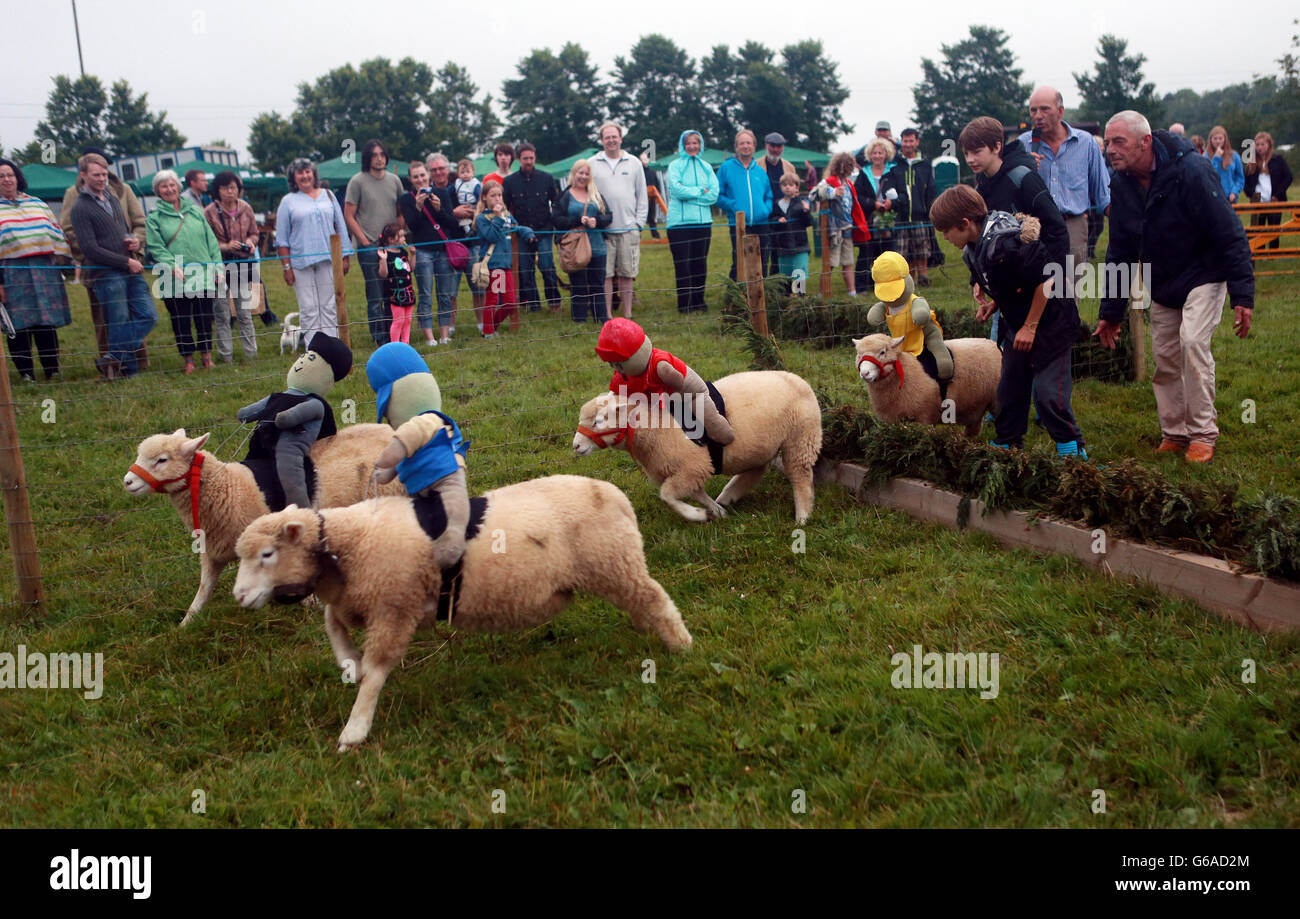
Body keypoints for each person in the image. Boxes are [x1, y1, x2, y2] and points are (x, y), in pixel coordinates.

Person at [1093, 111, 1254, 464]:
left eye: (1119, 142)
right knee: (1165, 358)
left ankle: (1202, 434)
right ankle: (1175, 433)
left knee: (1193, 342)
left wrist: (1243, 296)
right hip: (1163, 281)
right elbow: (1119, 250)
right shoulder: (1120, 183)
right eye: (1108, 143)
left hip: (1204, 272)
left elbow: (1229, 232)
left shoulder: (1191, 172)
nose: (1111, 151)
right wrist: (1111, 313)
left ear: (1145, 142)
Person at [931, 184, 1087, 458]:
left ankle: (1071, 447)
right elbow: (1012, 284)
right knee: (1009, 387)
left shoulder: (1009, 243)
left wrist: (1031, 326)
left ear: (965, 223)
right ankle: (1008, 443)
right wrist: (995, 304)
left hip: (1051, 322)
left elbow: (1047, 280)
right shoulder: (974, 247)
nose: (944, 237)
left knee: (1049, 393)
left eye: (946, 231)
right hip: (1017, 321)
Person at [960, 115, 1069, 343]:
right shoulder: (982, 187)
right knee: (1007, 361)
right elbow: (983, 239)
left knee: (1042, 354)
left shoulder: (1024, 179)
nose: (970, 159)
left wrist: (1053, 279)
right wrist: (979, 279)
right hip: (1008, 290)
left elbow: (1056, 229)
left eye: (976, 151)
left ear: (997, 147)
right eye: (966, 153)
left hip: (1039, 287)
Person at [68, 152, 158, 380]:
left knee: (149, 315)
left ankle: (113, 356)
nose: (101, 179)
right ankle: (129, 372)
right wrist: (125, 261)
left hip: (129, 267)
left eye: (104, 174)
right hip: (106, 273)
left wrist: (134, 242)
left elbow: (124, 229)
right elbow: (90, 248)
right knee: (117, 321)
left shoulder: (113, 197)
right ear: (83, 175)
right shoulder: (79, 207)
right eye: (96, 175)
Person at [238, 334, 352, 510]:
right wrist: (246, 415)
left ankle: (301, 507)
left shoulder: (315, 403)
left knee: (288, 462)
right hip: (265, 441)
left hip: (293, 442)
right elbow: (248, 413)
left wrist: (284, 418)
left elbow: (290, 418)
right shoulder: (277, 396)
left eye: (310, 359)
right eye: (303, 357)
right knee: (252, 459)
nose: (301, 363)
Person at [1018, 86, 1111, 281]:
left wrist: (1124, 225)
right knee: (1033, 289)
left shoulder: (1085, 143)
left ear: (1060, 111)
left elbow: (1103, 193)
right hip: (1033, 227)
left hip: (1073, 226)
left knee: (1069, 292)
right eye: (1033, 110)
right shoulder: (1023, 145)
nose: (1038, 116)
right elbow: (1010, 191)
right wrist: (1023, 169)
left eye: (1044, 109)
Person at [0, 158, 72, 382]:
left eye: (10, 174)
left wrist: (63, 261)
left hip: (44, 271)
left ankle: (52, 368)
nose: (6, 179)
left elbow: (54, 232)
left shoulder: (37, 204)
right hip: (12, 273)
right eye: (1, 176)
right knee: (18, 325)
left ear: (17, 177)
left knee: (46, 322)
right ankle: (26, 372)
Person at [146, 169, 223, 373]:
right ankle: (188, 360)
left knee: (204, 317)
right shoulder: (154, 217)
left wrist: (217, 266)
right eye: (164, 186)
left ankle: (207, 356)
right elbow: (155, 246)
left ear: (178, 187)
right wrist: (171, 265)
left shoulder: (196, 210)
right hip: (173, 277)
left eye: (172, 185)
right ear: (158, 190)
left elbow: (211, 241)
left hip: (202, 273)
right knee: (181, 320)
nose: (169, 189)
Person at [275, 157, 352, 347]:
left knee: (329, 306)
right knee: (309, 309)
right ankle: (314, 349)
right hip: (301, 264)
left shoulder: (328, 195)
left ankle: (332, 346)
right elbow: (282, 238)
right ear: (293, 178)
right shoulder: (287, 202)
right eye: (300, 172)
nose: (305, 175)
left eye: (308, 171)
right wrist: (287, 267)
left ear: (314, 174)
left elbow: (341, 227)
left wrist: (345, 256)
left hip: (329, 259)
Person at [344, 139, 405, 345]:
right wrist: (364, 240)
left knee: (393, 292)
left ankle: (393, 334)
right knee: (375, 295)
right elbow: (349, 215)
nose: (379, 159)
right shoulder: (357, 181)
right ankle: (379, 337)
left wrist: (397, 238)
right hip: (369, 247)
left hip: (393, 247)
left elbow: (401, 212)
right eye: (374, 155)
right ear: (367, 158)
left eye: (382, 154)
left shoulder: (395, 181)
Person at [398, 159, 460, 346]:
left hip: (442, 249)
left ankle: (444, 334)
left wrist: (439, 209)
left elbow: (451, 223)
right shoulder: (406, 199)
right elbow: (413, 226)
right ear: (410, 179)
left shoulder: (442, 193)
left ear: (428, 175)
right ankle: (429, 337)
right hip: (423, 250)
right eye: (415, 177)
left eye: (423, 175)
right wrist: (418, 207)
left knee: (444, 293)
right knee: (425, 293)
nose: (420, 179)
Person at [588, 123, 647, 319]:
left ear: (621, 139)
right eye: (607, 137)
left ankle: (627, 313)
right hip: (603, 230)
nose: (611, 140)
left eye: (615, 137)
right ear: (602, 140)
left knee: (627, 272)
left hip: (628, 228)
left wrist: (639, 223)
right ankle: (607, 316)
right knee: (605, 274)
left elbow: (642, 195)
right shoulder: (592, 163)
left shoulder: (634, 162)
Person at [204, 170, 259, 362]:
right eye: (225, 188)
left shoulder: (246, 208)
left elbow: (254, 233)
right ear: (217, 190)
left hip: (243, 264)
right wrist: (225, 246)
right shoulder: (209, 212)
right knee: (222, 313)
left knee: (245, 311)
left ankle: (251, 354)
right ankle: (225, 355)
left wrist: (251, 242)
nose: (230, 191)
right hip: (219, 266)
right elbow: (206, 242)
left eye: (233, 187)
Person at [503, 142, 562, 313]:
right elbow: (505, 208)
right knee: (525, 269)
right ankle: (533, 304)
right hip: (521, 230)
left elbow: (556, 202)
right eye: (525, 158)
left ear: (535, 158)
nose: (528, 161)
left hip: (543, 229)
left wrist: (552, 223)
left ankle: (554, 301)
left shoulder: (547, 178)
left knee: (546, 265)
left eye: (531, 158)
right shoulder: (510, 182)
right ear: (519, 160)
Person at [551, 160, 613, 323]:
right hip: (575, 247)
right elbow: (557, 219)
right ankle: (579, 319)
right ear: (574, 174)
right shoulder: (565, 196)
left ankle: (601, 318)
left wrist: (597, 221)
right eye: (580, 173)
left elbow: (608, 216)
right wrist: (577, 220)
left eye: (586, 174)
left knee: (597, 284)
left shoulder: (595, 194)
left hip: (597, 246)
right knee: (577, 284)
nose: (583, 177)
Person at [665, 129, 720, 313]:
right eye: (688, 143)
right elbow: (677, 190)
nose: (691, 146)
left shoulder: (706, 166)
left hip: (703, 222)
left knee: (700, 263)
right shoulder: (675, 165)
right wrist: (699, 191)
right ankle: (684, 304)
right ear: (682, 145)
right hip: (679, 224)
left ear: (700, 145)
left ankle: (699, 300)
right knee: (683, 264)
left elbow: (713, 194)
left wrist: (691, 194)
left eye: (695, 143)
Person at [473, 180, 535, 337]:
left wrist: (528, 233)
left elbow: (516, 227)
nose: (498, 199)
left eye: (500, 195)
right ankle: (488, 332)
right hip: (493, 265)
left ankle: (491, 326)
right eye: (493, 195)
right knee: (492, 299)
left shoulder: (507, 215)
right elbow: (491, 236)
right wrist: (498, 217)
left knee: (510, 302)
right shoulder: (482, 218)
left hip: (506, 264)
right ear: (485, 198)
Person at [717, 129, 773, 281]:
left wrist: (765, 210)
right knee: (739, 261)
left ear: (754, 146)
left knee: (762, 260)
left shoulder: (760, 171)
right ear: (736, 146)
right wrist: (733, 206)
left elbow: (769, 196)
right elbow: (718, 195)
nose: (745, 146)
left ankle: (762, 295)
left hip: (761, 223)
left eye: (748, 143)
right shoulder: (726, 168)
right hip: (739, 223)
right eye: (742, 143)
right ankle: (736, 295)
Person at [813, 152, 871, 296]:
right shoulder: (828, 181)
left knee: (848, 261)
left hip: (848, 228)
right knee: (830, 262)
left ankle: (852, 293)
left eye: (848, 166)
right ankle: (823, 293)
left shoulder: (849, 183)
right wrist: (831, 192)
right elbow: (813, 194)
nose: (845, 169)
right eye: (843, 165)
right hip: (833, 229)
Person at [853, 137, 905, 289]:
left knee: (889, 253)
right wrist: (872, 203)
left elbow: (903, 195)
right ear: (870, 154)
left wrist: (892, 203)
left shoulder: (894, 171)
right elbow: (858, 196)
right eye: (874, 153)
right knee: (866, 253)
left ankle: (890, 284)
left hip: (890, 221)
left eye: (880, 153)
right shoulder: (864, 174)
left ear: (886, 154)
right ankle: (863, 285)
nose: (877, 156)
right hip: (869, 220)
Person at [892, 128, 938, 286]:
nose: (908, 144)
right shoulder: (896, 165)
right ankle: (909, 279)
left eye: (911, 140)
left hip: (920, 213)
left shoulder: (925, 164)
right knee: (904, 250)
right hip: (902, 215)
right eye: (905, 141)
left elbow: (931, 189)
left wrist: (931, 209)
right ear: (901, 142)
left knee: (921, 248)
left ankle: (923, 277)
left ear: (917, 142)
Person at [1243, 131, 1293, 252]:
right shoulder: (1252, 162)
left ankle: (1273, 253)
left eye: (1262, 144)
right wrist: (1251, 194)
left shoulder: (1278, 159)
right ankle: (1259, 252)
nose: (1260, 148)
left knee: (1274, 226)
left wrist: (1277, 194)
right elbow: (1245, 181)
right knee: (1258, 227)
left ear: (1269, 145)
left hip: (1274, 198)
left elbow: (1288, 177)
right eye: (1258, 145)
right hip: (1258, 199)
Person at [453, 158, 487, 333]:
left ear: (473, 172)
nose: (465, 174)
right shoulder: (455, 186)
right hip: (456, 238)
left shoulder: (476, 185)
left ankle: (482, 322)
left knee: (477, 284)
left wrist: (475, 212)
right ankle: (450, 325)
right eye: (462, 171)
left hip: (473, 231)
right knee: (451, 287)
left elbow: (482, 201)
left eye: (468, 171)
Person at [761, 133, 798, 276]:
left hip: (783, 216)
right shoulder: (757, 165)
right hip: (764, 215)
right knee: (763, 252)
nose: (775, 149)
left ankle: (780, 284)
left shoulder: (789, 167)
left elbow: (795, 190)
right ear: (766, 145)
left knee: (781, 253)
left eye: (779, 146)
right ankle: (763, 285)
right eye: (772, 146)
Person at [376, 223, 416, 344]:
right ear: (391, 239)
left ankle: (405, 344)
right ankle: (395, 344)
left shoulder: (403, 252)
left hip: (408, 290)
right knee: (398, 321)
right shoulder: (384, 253)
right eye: (401, 236)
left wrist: (413, 255)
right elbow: (383, 274)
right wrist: (383, 260)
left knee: (408, 320)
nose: (404, 238)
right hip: (395, 293)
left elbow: (411, 269)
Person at [770, 173, 812, 288]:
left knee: (799, 274)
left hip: (800, 246)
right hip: (783, 247)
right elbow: (771, 222)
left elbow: (808, 222)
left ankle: (800, 299)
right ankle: (787, 299)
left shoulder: (801, 203)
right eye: (784, 185)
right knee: (785, 276)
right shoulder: (777, 204)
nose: (787, 187)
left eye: (790, 185)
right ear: (780, 187)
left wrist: (806, 212)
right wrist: (777, 220)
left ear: (797, 187)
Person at [1205, 126, 1245, 204]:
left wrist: (1234, 192)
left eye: (1220, 138)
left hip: (1230, 198)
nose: (1218, 141)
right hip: (1213, 199)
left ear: (1225, 139)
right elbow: (1208, 175)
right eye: (1215, 138)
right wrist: (1216, 158)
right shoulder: (1205, 157)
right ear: (1210, 140)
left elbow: (1240, 178)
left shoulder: (1234, 156)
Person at [640, 151, 664, 239]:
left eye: (645, 159)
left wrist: (658, 197)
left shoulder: (652, 172)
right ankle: (637, 235)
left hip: (652, 198)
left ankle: (655, 235)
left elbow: (657, 185)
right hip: (641, 199)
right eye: (642, 159)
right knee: (640, 217)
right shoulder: (639, 172)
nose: (644, 161)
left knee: (652, 217)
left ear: (648, 160)